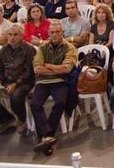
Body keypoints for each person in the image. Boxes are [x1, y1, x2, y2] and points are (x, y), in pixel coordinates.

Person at [30, 20, 78, 154]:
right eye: (52, 32)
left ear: (63, 32)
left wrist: (49, 65)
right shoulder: (42, 48)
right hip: (43, 82)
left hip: (60, 81)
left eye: (58, 32)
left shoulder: (70, 48)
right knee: (35, 104)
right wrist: (56, 69)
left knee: (61, 102)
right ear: (48, 33)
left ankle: (45, 136)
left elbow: (66, 69)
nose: (55, 34)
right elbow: (37, 69)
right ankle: (48, 136)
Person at [0, 24, 35, 134]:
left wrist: (16, 84)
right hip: (5, 81)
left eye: (15, 35)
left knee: (16, 97)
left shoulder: (29, 49)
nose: (12, 38)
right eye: (10, 35)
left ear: (21, 36)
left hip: (24, 82)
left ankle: (22, 120)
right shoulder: (4, 49)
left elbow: (29, 71)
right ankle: (7, 120)